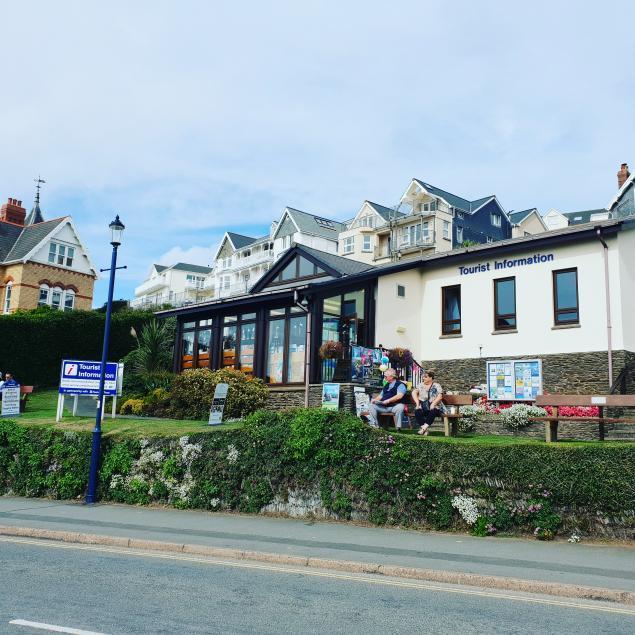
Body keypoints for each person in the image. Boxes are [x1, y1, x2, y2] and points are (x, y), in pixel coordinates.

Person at [412, 369, 445, 436]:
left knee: (433, 410)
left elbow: (440, 396)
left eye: (426, 377)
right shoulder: (420, 385)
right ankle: (425, 430)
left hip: (435, 406)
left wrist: (433, 404)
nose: (423, 378)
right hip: (424, 406)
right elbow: (414, 392)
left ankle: (423, 428)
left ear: (431, 377)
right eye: (423, 377)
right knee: (417, 411)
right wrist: (417, 403)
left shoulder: (436, 385)